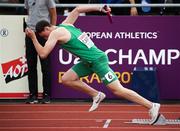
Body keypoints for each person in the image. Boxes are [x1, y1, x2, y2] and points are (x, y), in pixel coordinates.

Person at [25, 5, 160, 124]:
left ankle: (151, 106)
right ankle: (96, 94)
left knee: (118, 90)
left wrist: (33, 38)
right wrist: (100, 7)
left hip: (97, 61)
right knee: (67, 79)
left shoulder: (55, 33)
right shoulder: (66, 24)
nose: (46, 39)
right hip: (87, 62)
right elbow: (78, 9)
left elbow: (43, 54)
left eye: (44, 36)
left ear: (47, 28)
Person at [24, 0, 57, 104]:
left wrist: (52, 32)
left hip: (43, 33)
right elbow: (29, 12)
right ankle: (32, 95)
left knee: (45, 65)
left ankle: (46, 94)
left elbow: (53, 13)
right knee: (31, 65)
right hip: (30, 33)